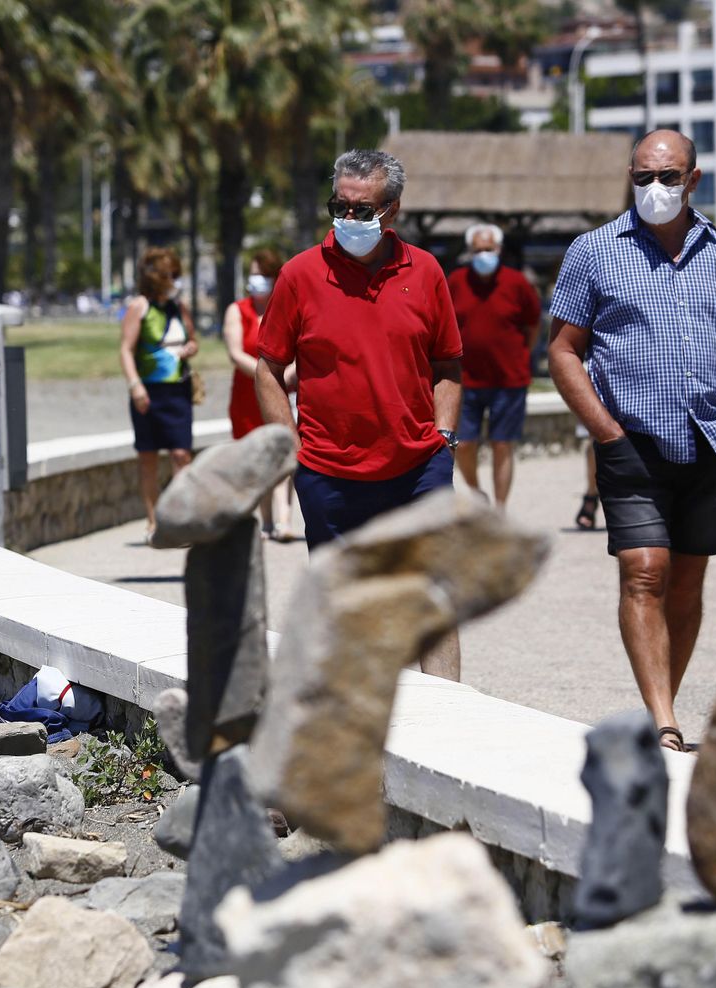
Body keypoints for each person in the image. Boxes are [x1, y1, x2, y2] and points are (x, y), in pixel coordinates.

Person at [547, 129, 716, 752]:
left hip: (706, 441)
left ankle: (663, 703)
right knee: (644, 571)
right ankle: (663, 721)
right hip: (630, 445)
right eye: (644, 176)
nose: (655, 188)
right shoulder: (593, 252)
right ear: (630, 175)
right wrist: (606, 431)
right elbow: (564, 351)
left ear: (692, 180)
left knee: (687, 581)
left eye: (668, 177)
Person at [254, 149, 464, 678]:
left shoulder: (427, 271)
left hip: (418, 466)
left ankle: (449, 729)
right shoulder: (300, 274)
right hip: (329, 472)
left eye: (362, 209)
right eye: (340, 206)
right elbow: (269, 367)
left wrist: (444, 437)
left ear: (392, 209)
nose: (348, 219)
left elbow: (448, 363)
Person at [449, 222, 541, 511]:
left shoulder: (517, 283)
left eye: (488, 249)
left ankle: (500, 509)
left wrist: (521, 354)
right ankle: (477, 493)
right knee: (463, 444)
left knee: (503, 445)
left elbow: (533, 324)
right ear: (469, 251)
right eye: (478, 250)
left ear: (499, 250)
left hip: (509, 378)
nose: (483, 255)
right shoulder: (456, 281)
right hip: (464, 379)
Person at [120, 247, 199, 540]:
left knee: (181, 454)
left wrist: (191, 347)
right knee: (148, 457)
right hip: (148, 391)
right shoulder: (139, 307)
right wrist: (134, 385)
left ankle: (178, 519)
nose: (174, 280)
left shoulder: (180, 306)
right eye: (169, 275)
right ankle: (153, 521)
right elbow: (125, 350)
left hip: (178, 389)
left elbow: (192, 339)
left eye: (175, 274)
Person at [223, 247, 297, 541]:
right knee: (257, 459)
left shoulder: (286, 307)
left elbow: (301, 350)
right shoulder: (237, 310)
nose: (256, 280)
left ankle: (284, 519)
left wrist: (285, 376)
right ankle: (265, 520)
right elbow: (235, 352)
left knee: (281, 453)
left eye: (261, 275)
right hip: (246, 396)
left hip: (281, 390)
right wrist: (264, 376)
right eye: (253, 274)